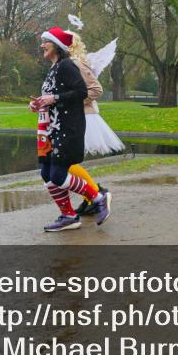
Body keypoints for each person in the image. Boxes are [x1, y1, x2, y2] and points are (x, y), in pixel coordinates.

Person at [32, 26, 110, 232]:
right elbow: (53, 98)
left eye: (45, 41)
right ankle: (68, 216)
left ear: (56, 46)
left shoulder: (67, 65)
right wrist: (39, 104)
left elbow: (82, 91)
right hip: (51, 130)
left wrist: (54, 98)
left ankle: (98, 197)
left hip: (68, 129)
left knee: (58, 175)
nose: (42, 45)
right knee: (47, 174)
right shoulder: (53, 69)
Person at [66, 30, 123, 216]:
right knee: (68, 161)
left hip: (84, 117)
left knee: (67, 161)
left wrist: (74, 102)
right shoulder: (68, 64)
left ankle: (96, 195)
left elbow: (96, 89)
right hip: (76, 116)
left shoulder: (77, 64)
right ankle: (91, 196)